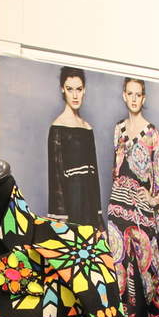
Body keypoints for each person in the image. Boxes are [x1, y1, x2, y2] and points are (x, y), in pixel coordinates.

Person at [105, 77, 159, 317]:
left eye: (138, 94)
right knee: (118, 275)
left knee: (153, 276)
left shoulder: (151, 133)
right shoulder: (118, 129)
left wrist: (155, 198)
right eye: (130, 94)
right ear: (124, 96)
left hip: (141, 213)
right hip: (116, 210)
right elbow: (116, 169)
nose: (134, 99)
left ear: (143, 98)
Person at [46, 67, 102, 225]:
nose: (75, 95)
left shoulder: (87, 127)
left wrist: (98, 214)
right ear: (62, 89)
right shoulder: (57, 127)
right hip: (71, 203)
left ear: (84, 90)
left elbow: (94, 177)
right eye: (70, 89)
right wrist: (61, 216)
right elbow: (55, 176)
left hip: (89, 203)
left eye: (79, 89)